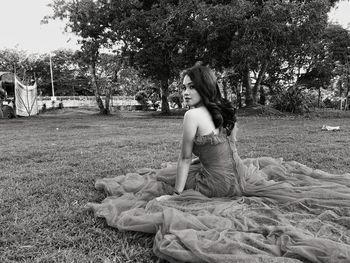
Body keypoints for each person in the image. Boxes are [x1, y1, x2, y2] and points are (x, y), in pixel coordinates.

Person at [88, 65, 350, 263]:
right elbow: (232, 147)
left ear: (204, 87)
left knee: (165, 181)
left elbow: (184, 158)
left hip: (217, 183)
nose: (186, 92)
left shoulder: (193, 115)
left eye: (191, 86)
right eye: (183, 87)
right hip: (240, 176)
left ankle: (184, 191)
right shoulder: (224, 111)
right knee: (180, 173)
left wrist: (177, 197)